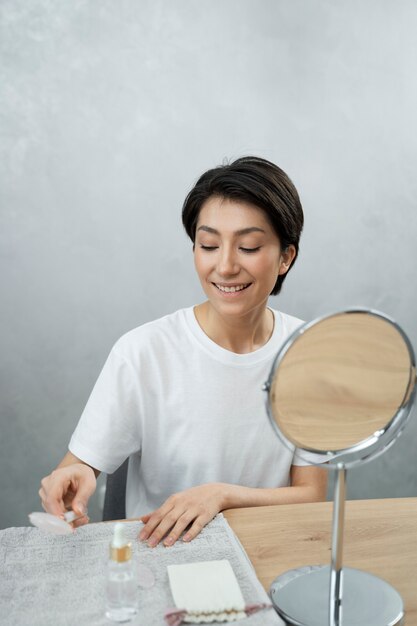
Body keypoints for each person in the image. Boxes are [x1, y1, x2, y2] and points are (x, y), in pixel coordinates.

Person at [39, 156, 327, 547]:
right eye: (208, 245)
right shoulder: (142, 351)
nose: (224, 266)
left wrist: (221, 496)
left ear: (285, 258)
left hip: (269, 552)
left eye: (248, 246)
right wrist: (74, 478)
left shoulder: (308, 352)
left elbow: (311, 495)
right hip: (163, 556)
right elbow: (79, 465)